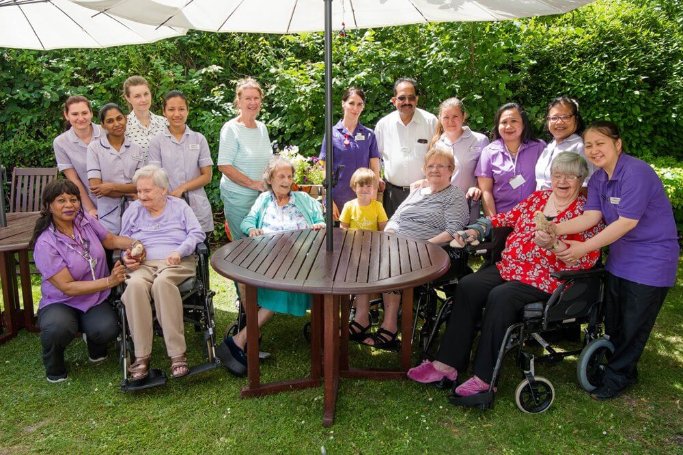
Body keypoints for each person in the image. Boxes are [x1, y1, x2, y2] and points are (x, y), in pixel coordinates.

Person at [407, 153, 602, 400]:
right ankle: (447, 365)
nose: (562, 181)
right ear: (550, 177)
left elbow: (587, 259)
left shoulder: (586, 214)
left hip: (546, 278)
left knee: (501, 296)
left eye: (570, 176)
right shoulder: (538, 199)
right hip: (510, 267)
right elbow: (505, 218)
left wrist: (554, 246)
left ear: (581, 179)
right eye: (557, 175)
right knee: (469, 285)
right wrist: (475, 229)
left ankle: (484, 378)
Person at [549, 122, 679, 400]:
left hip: (651, 260)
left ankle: (617, 377)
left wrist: (583, 248)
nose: (594, 150)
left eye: (600, 143)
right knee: (615, 319)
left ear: (617, 144)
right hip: (620, 258)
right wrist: (556, 228)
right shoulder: (598, 179)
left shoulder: (636, 173)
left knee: (634, 322)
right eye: (589, 145)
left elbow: (626, 222)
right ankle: (622, 367)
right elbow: (592, 217)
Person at [215, 157, 325, 376]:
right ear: (271, 179)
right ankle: (247, 339)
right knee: (247, 282)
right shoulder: (264, 200)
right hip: (267, 260)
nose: (286, 180)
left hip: (300, 261)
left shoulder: (303, 199)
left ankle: (240, 340)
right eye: (281, 176)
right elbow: (247, 222)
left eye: (289, 176)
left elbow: (320, 220)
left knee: (283, 286)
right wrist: (252, 230)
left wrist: (319, 224)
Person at [356, 148, 470, 349]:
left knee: (392, 265)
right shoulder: (418, 192)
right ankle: (361, 318)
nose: (434, 169)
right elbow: (396, 218)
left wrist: (420, 246)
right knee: (363, 258)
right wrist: (389, 236)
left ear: (451, 170)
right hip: (398, 244)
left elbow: (453, 231)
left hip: (430, 251)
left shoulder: (455, 196)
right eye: (430, 165)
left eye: (440, 166)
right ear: (424, 169)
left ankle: (389, 329)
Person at [32, 180, 140, 383]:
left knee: (106, 328)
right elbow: (68, 287)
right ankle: (54, 367)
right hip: (61, 301)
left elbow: (109, 239)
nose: (69, 205)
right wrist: (109, 281)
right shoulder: (45, 243)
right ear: (48, 206)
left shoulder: (84, 220)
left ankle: (95, 346)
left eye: (73, 200)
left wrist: (136, 243)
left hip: (94, 297)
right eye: (61, 200)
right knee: (58, 328)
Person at [120, 165, 206, 380]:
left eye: (147, 191)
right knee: (135, 286)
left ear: (163, 189)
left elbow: (197, 233)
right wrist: (126, 257)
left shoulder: (179, 207)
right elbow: (123, 241)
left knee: (162, 284)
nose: (141, 196)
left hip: (176, 261)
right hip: (143, 264)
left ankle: (177, 355)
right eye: (139, 191)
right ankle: (141, 356)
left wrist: (180, 251)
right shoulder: (133, 210)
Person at [148, 90, 215, 239]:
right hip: (168, 205)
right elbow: (155, 178)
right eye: (171, 109)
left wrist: (183, 188)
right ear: (164, 112)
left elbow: (207, 176)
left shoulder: (199, 139)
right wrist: (171, 195)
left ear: (187, 111)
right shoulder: (157, 142)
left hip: (197, 206)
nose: (177, 114)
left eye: (181, 109)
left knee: (200, 252)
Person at [217, 77, 273, 241]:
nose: (253, 102)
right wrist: (253, 184)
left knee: (262, 242)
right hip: (238, 198)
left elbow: (268, 161)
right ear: (239, 102)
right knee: (243, 245)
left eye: (256, 98)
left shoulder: (262, 128)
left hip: (261, 198)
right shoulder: (231, 129)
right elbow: (224, 166)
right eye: (248, 98)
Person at [375, 77, 438, 217]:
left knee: (422, 237)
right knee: (392, 237)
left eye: (411, 97)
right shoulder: (383, 124)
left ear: (417, 99)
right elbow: (375, 157)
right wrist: (377, 177)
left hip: (424, 193)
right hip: (392, 195)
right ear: (394, 100)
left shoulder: (431, 122)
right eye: (402, 98)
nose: (407, 102)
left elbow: (440, 157)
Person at [339, 168, 388, 342]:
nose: (365, 189)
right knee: (357, 280)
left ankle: (370, 311)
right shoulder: (349, 206)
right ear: (354, 187)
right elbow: (343, 228)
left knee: (369, 280)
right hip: (353, 250)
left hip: (372, 250)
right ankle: (360, 312)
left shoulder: (378, 207)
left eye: (369, 185)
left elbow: (383, 229)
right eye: (361, 185)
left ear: (374, 188)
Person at [319, 87, 381, 218]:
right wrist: (329, 200)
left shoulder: (369, 135)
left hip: (363, 200)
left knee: (362, 237)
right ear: (343, 103)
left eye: (359, 104)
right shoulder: (332, 134)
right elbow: (324, 169)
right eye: (351, 103)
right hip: (337, 198)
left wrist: (373, 197)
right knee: (336, 237)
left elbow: (375, 168)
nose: (355, 108)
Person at [476, 102, 546, 216]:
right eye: (504, 122)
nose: (508, 126)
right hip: (503, 217)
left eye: (514, 121)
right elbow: (486, 191)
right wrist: (494, 222)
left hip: (534, 217)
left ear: (523, 124)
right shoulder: (489, 152)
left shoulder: (539, 147)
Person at [86, 103, 143, 234]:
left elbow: (141, 186)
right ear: (103, 125)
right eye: (110, 121)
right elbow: (96, 188)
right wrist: (130, 190)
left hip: (136, 210)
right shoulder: (94, 148)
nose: (116, 124)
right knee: (111, 249)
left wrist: (110, 187)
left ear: (126, 118)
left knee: (135, 248)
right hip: (108, 213)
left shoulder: (136, 148)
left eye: (119, 118)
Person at [429, 97, 489, 198]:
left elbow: (488, 175)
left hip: (468, 205)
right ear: (440, 118)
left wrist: (477, 187)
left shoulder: (480, 140)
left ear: (463, 116)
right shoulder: (437, 144)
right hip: (441, 205)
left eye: (455, 116)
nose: (450, 121)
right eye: (446, 117)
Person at [53, 95, 101, 217]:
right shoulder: (61, 142)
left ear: (91, 113)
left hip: (119, 199)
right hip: (88, 202)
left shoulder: (107, 132)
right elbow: (74, 180)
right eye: (75, 114)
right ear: (66, 115)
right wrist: (90, 209)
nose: (80, 118)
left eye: (84, 113)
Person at [535, 97, 590, 190]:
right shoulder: (549, 146)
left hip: (565, 203)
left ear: (576, 119)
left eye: (565, 117)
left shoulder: (581, 147)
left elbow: (588, 184)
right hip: (542, 202)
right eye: (554, 118)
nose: (559, 122)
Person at [122, 75, 168, 160]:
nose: (143, 99)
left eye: (146, 94)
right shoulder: (123, 126)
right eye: (137, 96)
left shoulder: (165, 123)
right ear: (128, 98)